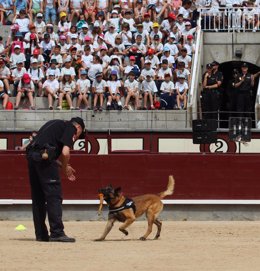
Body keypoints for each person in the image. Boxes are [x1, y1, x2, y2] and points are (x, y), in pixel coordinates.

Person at [26, 117, 86, 242]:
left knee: (38, 198)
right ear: (79, 128)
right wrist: (65, 168)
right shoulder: (72, 127)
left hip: (33, 158)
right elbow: (65, 152)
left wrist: (64, 165)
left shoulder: (53, 123)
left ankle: (41, 234)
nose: (76, 138)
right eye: (79, 135)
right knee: (54, 196)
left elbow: (44, 149)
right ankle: (57, 232)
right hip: (44, 161)